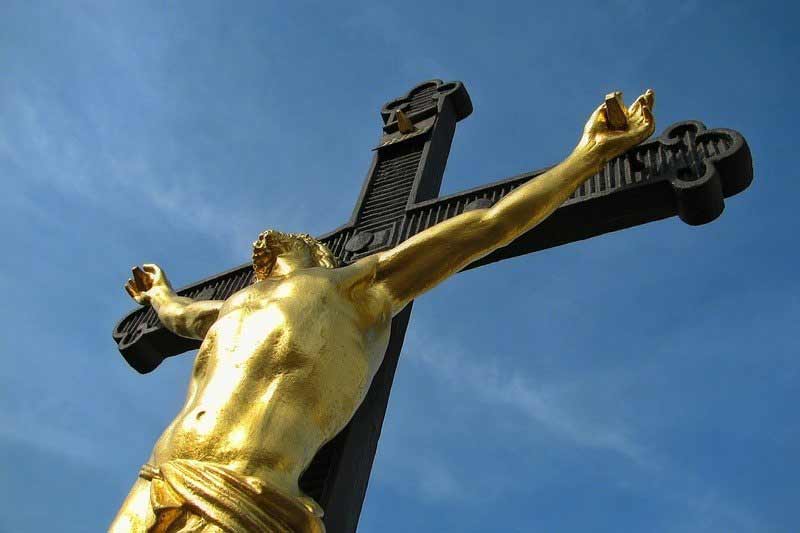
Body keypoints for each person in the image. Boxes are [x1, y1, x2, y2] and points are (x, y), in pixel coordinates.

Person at [111, 90, 654, 533]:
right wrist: (158, 295)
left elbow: (487, 227)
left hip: (246, 492)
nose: (262, 248)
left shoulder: (356, 286)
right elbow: (181, 316)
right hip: (156, 478)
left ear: (316, 251)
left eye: (280, 241)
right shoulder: (233, 304)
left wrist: (588, 157)